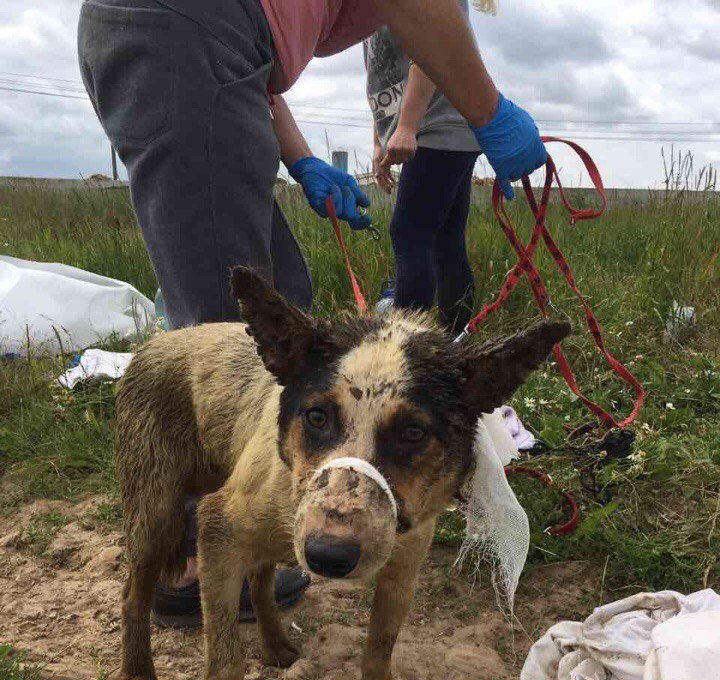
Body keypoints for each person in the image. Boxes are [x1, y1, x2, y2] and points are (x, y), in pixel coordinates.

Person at [78, 0, 547, 627]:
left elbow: (251, 73)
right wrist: (489, 113)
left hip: (216, 48)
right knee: (227, 320)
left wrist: (298, 158)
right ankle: (216, 550)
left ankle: (272, 516)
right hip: (186, 30)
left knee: (285, 295)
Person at [366, 0, 482, 335]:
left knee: (408, 233)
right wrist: (380, 141)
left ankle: (403, 352)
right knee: (445, 241)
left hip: (438, 124)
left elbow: (435, 48)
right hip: (435, 126)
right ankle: (454, 345)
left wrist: (407, 127)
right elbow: (381, 79)